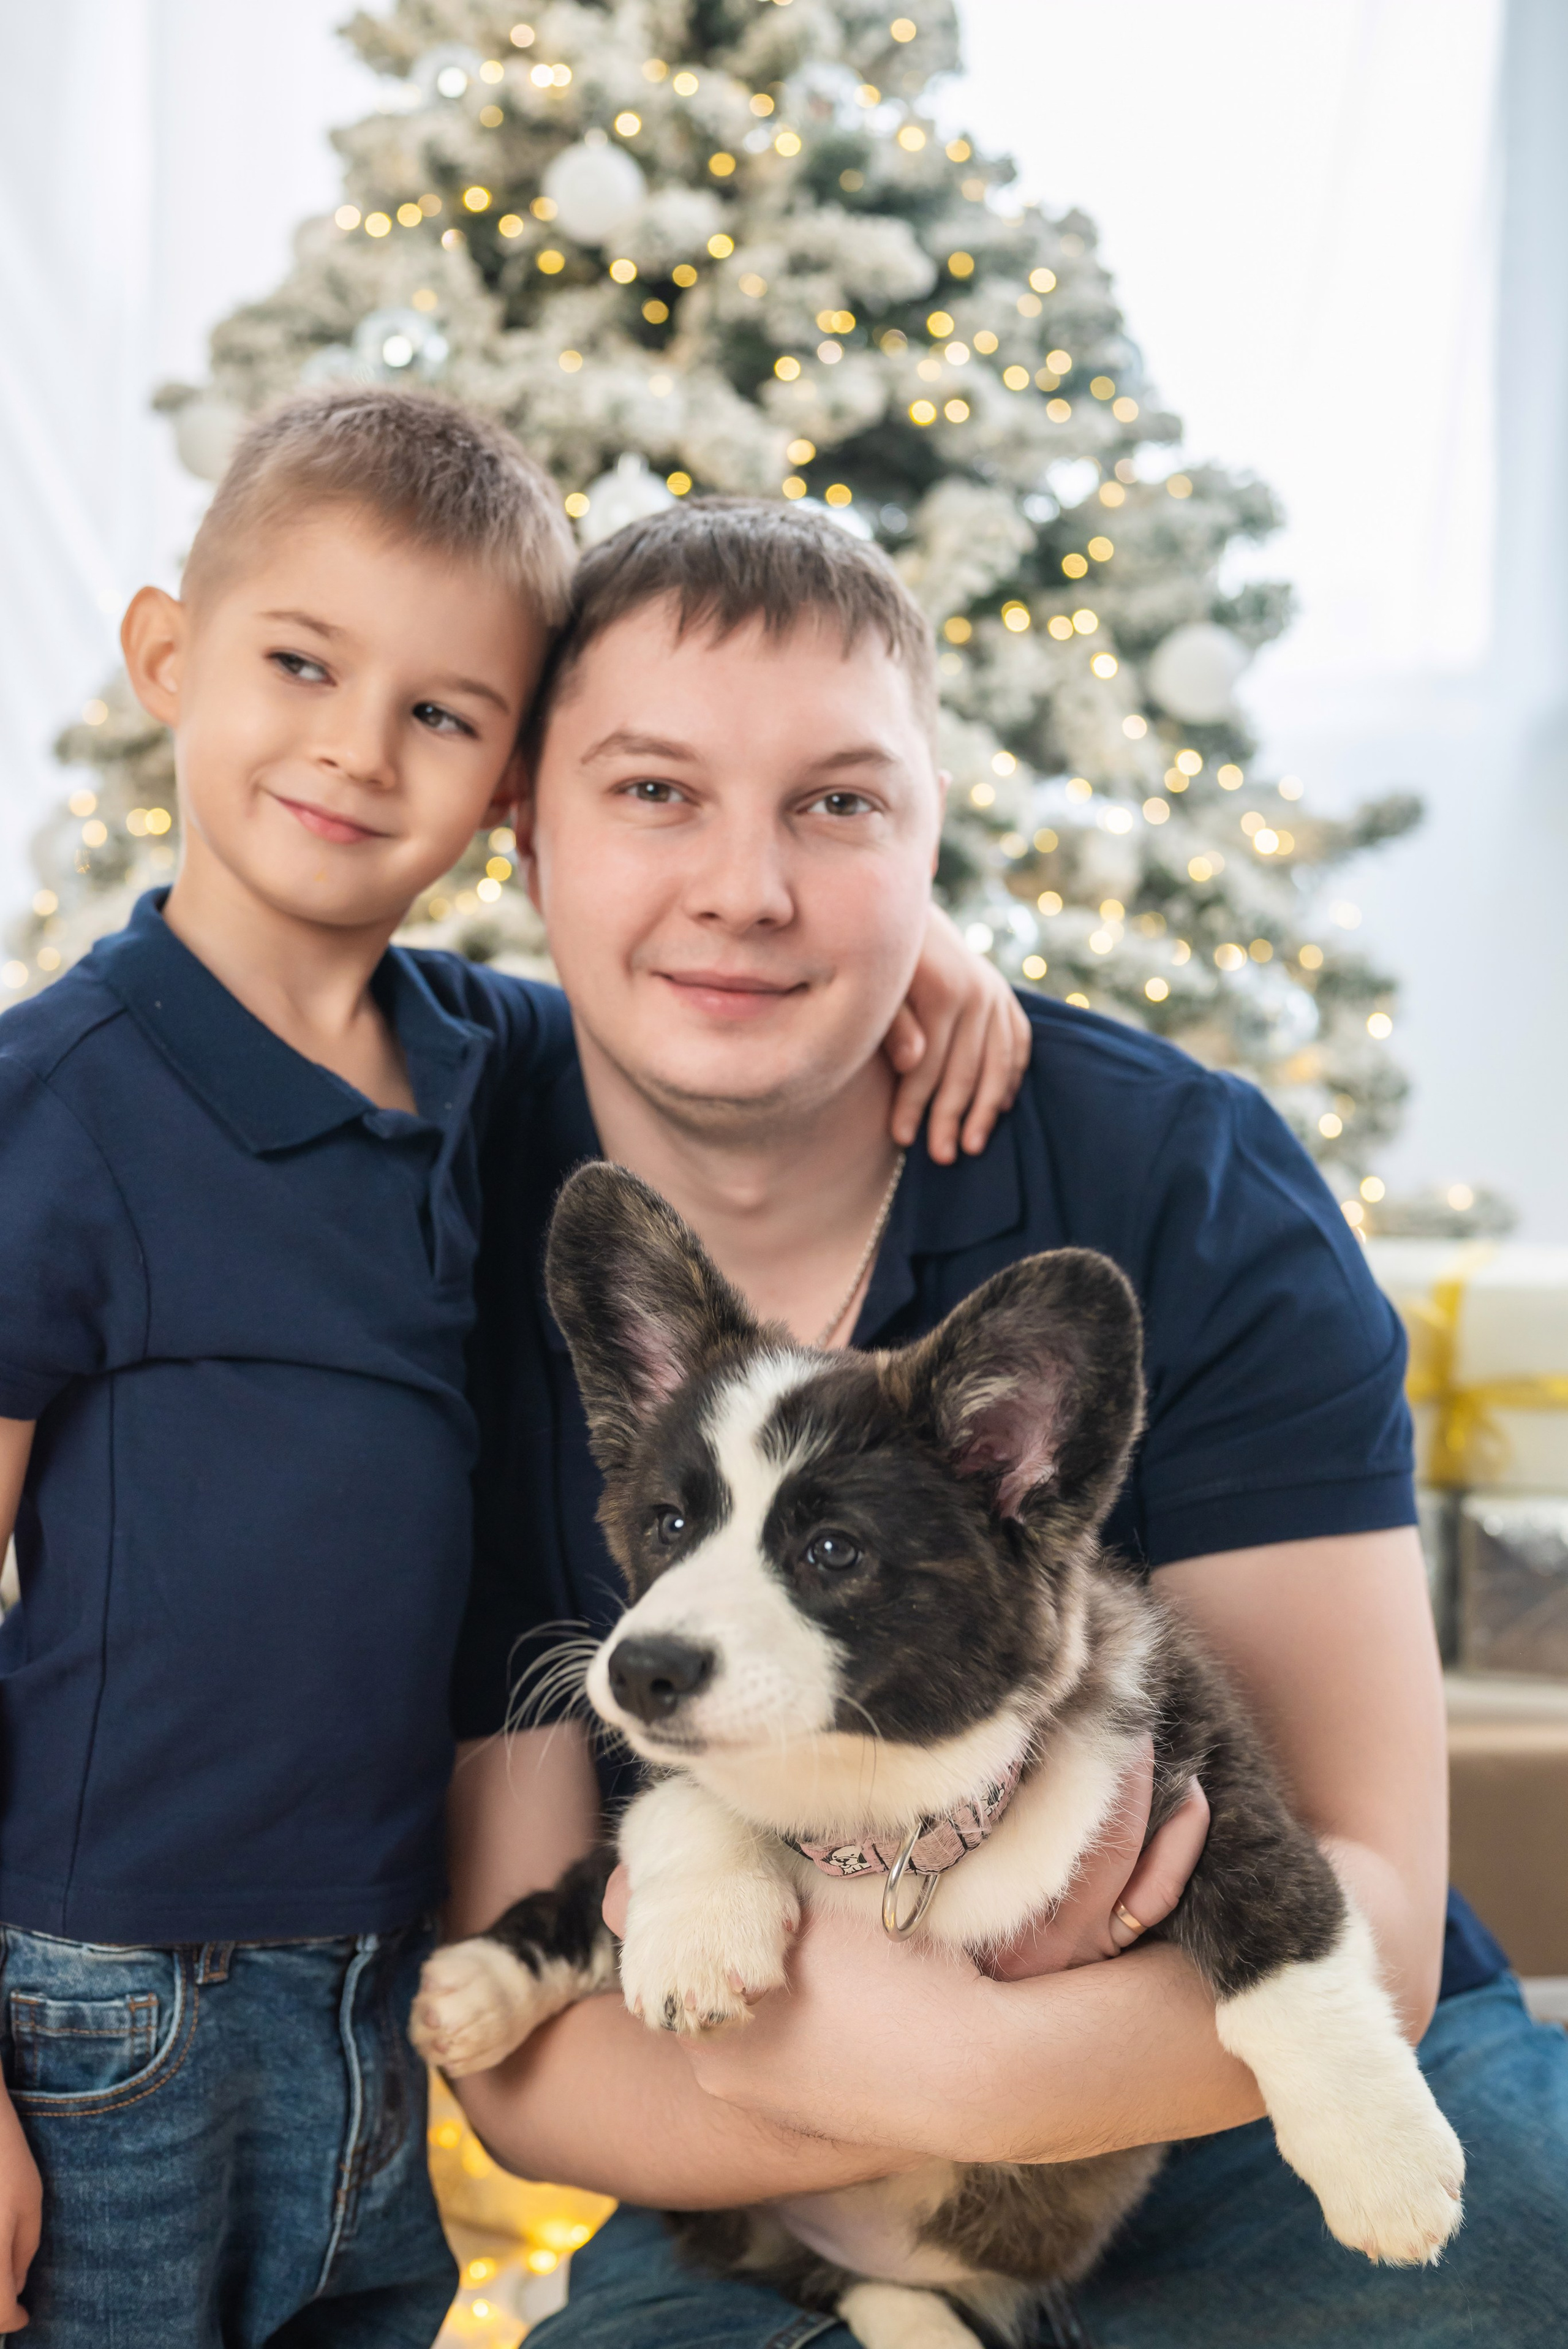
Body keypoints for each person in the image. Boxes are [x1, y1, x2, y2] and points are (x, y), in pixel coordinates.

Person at [443, 497, 1568, 2349]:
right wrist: (863, 2113)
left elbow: (1371, 1883)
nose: (747, 886)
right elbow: (531, 2064)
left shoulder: (1181, 1176)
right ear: (525, 826)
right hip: (771, 2145)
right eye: (655, 791)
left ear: (937, 833)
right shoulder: (450, 1203)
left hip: (1248, 2061)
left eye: (841, 804)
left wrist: (978, 2074)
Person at [0, 394, 1022, 2347]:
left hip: (377, 1978)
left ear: (511, 795)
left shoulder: (487, 1062)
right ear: (164, 657)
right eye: (299, 663)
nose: (353, 747)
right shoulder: (54, 1115)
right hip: (100, 1984)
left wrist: (926, 949)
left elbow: (718, 954)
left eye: (443, 713)